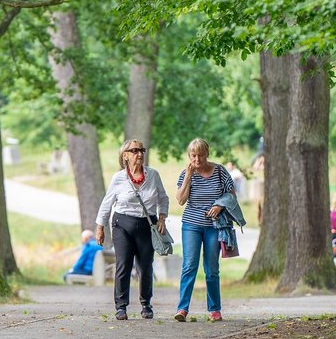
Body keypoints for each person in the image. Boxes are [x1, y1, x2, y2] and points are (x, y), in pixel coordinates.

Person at [95, 140, 169, 320]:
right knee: (124, 264)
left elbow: (163, 198)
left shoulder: (153, 175)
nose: (139, 154)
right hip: (122, 224)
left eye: (141, 150)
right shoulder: (118, 178)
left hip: (147, 224)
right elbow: (107, 203)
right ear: (125, 156)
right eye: (134, 151)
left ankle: (146, 304)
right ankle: (121, 307)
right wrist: (100, 227)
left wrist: (162, 218)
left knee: (145, 266)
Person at [174, 138, 236, 323]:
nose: (197, 159)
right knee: (189, 266)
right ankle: (182, 308)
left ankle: (214, 309)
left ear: (207, 154)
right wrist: (187, 177)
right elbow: (180, 199)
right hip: (191, 225)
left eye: (200, 155)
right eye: (193, 155)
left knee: (211, 269)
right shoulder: (186, 173)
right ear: (189, 156)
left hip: (214, 226)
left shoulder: (220, 172)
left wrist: (220, 206)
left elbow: (231, 196)